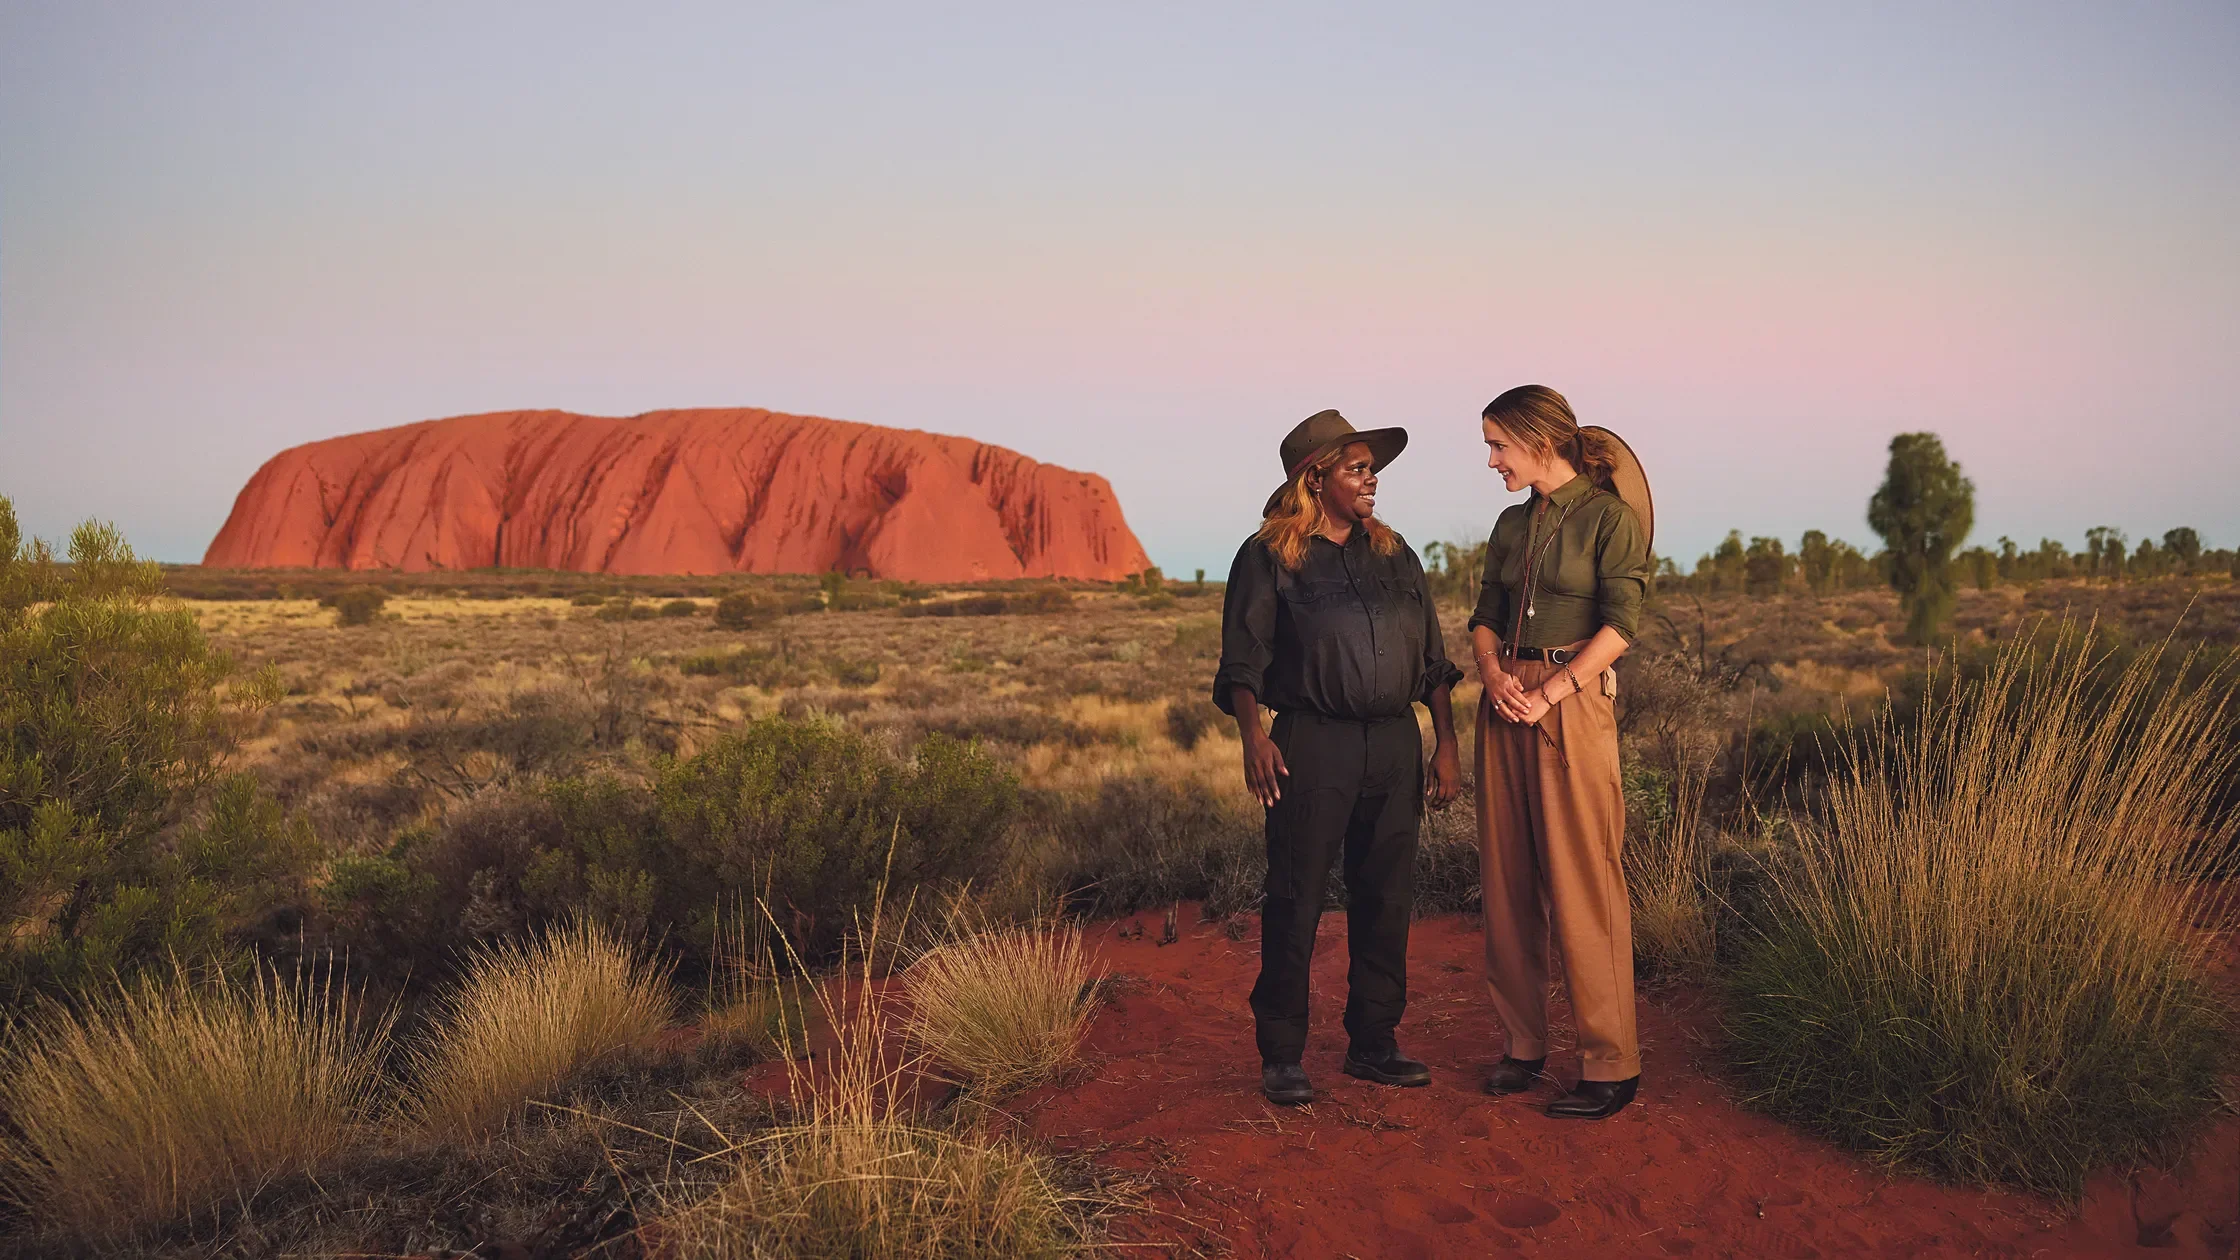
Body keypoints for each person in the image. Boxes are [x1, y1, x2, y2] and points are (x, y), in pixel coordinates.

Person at [1213, 408, 1463, 1106]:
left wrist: (1446, 744)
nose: (1371, 478)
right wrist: (1253, 737)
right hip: (1309, 744)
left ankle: (1374, 1044)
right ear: (1315, 477)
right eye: (1357, 468)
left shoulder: (1396, 554)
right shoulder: (1267, 556)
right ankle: (1283, 1055)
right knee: (1295, 896)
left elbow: (1434, 661)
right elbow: (1241, 661)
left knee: (1387, 897)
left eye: (1372, 468)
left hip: (1392, 742)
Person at [1468, 385, 1649, 1120]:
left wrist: (1549, 693)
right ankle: (1522, 1046)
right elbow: (1483, 615)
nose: (1490, 461)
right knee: (1506, 878)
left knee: (1584, 874)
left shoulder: (1610, 520)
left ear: (1541, 441)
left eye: (1497, 445)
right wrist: (1492, 675)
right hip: (1504, 696)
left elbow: (1623, 624)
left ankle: (1612, 1064)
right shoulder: (1511, 525)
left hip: (1571, 701)